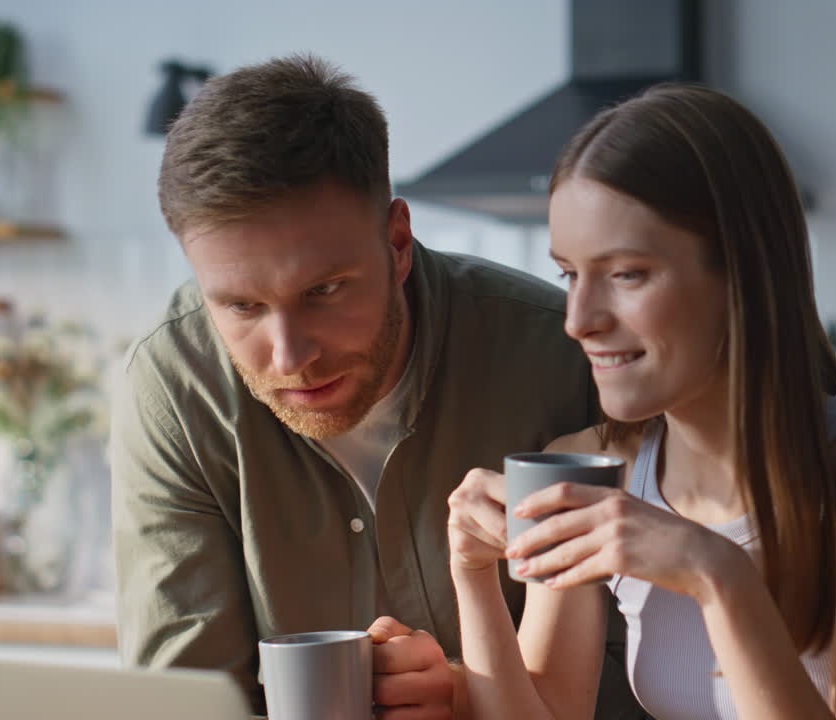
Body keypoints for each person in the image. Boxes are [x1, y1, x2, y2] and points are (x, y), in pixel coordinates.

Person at [110, 55, 647, 719]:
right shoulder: (175, 388)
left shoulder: (565, 359)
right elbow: (184, 702)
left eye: (325, 291)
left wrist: (463, 690)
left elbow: (662, 675)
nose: (289, 357)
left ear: (396, 242)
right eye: (241, 307)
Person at [447, 84, 836, 719]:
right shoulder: (588, 467)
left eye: (627, 274)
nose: (578, 320)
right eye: (570, 275)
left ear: (743, 274)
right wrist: (472, 576)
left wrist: (717, 575)